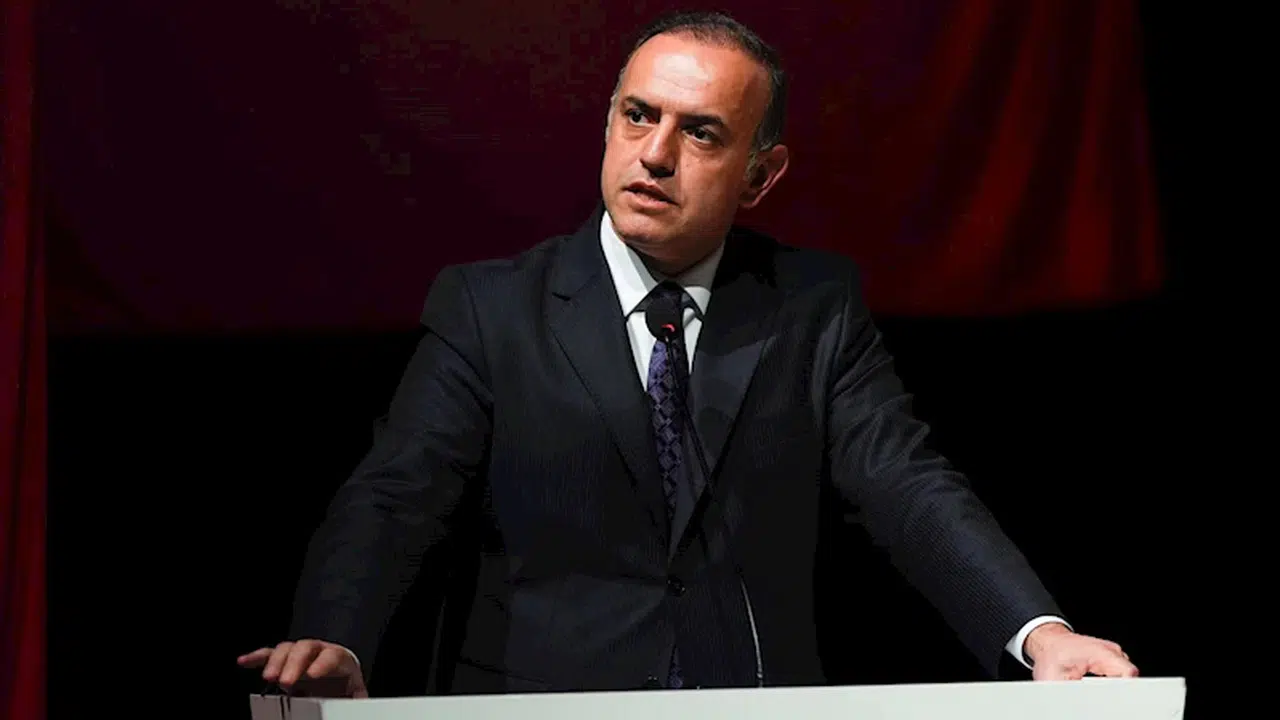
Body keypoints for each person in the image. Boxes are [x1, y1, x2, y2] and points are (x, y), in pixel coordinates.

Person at [238, 10, 1137, 697]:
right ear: (608, 125)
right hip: (541, 710)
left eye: (701, 132)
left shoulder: (811, 307)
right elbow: (397, 494)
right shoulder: (492, 307)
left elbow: (906, 483)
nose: (656, 154)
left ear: (761, 175)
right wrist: (337, 635)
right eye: (638, 116)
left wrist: (1040, 633)